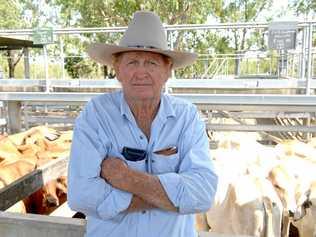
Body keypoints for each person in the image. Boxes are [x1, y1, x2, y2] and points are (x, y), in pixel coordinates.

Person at [68, 11, 218, 237]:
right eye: (132, 62)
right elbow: (81, 195)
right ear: (117, 70)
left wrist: (127, 179)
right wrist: (169, 196)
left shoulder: (187, 116)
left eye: (151, 62)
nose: (141, 72)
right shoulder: (96, 115)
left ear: (168, 71)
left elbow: (203, 194)